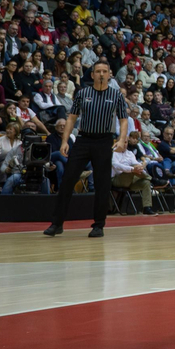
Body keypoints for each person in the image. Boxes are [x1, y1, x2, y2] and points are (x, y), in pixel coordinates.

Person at [43, 61, 132, 239]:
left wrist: (122, 139)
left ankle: (98, 225)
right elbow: (71, 118)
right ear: (92, 75)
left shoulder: (116, 95)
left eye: (104, 71)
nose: (101, 74)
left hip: (104, 141)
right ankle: (57, 223)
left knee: (102, 184)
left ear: (109, 75)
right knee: (68, 180)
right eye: (98, 71)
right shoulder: (83, 93)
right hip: (83, 140)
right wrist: (65, 141)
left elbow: (123, 119)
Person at [109, 131, 156, 216]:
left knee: (146, 182)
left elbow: (136, 164)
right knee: (132, 170)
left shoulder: (130, 153)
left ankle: (147, 208)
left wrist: (140, 167)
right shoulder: (113, 153)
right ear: (117, 142)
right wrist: (132, 169)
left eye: (126, 142)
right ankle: (153, 180)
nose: (125, 144)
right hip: (116, 179)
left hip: (130, 180)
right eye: (123, 142)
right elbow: (117, 166)